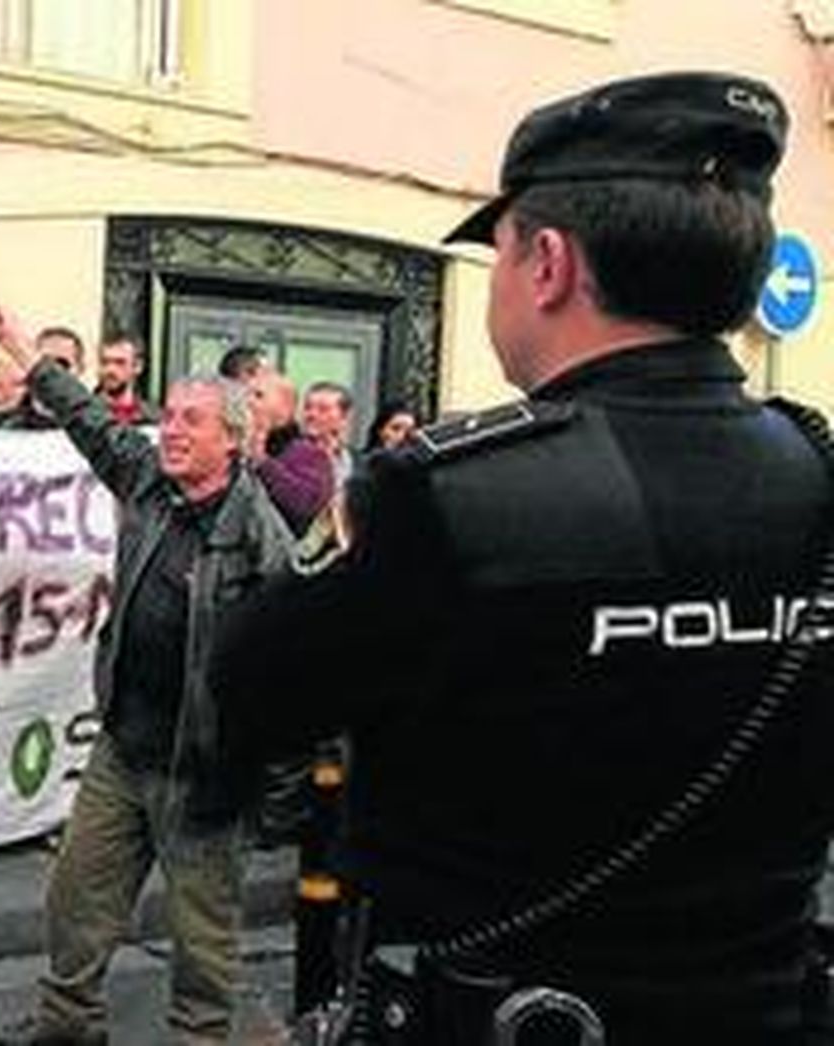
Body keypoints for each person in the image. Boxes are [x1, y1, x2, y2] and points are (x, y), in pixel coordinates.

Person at [212, 72, 833, 1045]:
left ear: (545, 263)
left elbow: (248, 685)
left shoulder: (453, 491)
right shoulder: (815, 471)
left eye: (498, 250)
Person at [0, 303, 294, 1046]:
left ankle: (199, 1038)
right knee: (75, 900)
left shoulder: (262, 541)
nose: (173, 431)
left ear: (233, 440)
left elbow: (293, 675)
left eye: (192, 421)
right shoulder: (152, 486)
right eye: (171, 417)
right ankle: (67, 1026)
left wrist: (271, 795)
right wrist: (24, 351)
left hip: (205, 774)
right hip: (123, 753)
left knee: (203, 941)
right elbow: (91, 421)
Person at [245, 368, 333, 534]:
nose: (248, 402)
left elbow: (305, 505)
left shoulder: (308, 454)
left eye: (258, 396)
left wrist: (262, 462)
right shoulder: (232, 445)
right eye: (246, 394)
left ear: (286, 407)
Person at [0, 326, 85, 430]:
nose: (52, 372)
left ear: (79, 369)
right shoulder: (1, 424)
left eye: (62, 364)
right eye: (45, 363)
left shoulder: (94, 424)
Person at [94, 334, 159, 426]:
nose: (110, 370)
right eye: (105, 362)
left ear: (137, 366)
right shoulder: (85, 415)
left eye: (119, 362)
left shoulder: (154, 419)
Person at [301, 380, 353, 488]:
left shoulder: (358, 463)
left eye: (323, 409)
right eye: (307, 408)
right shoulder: (288, 455)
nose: (312, 415)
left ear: (344, 418)